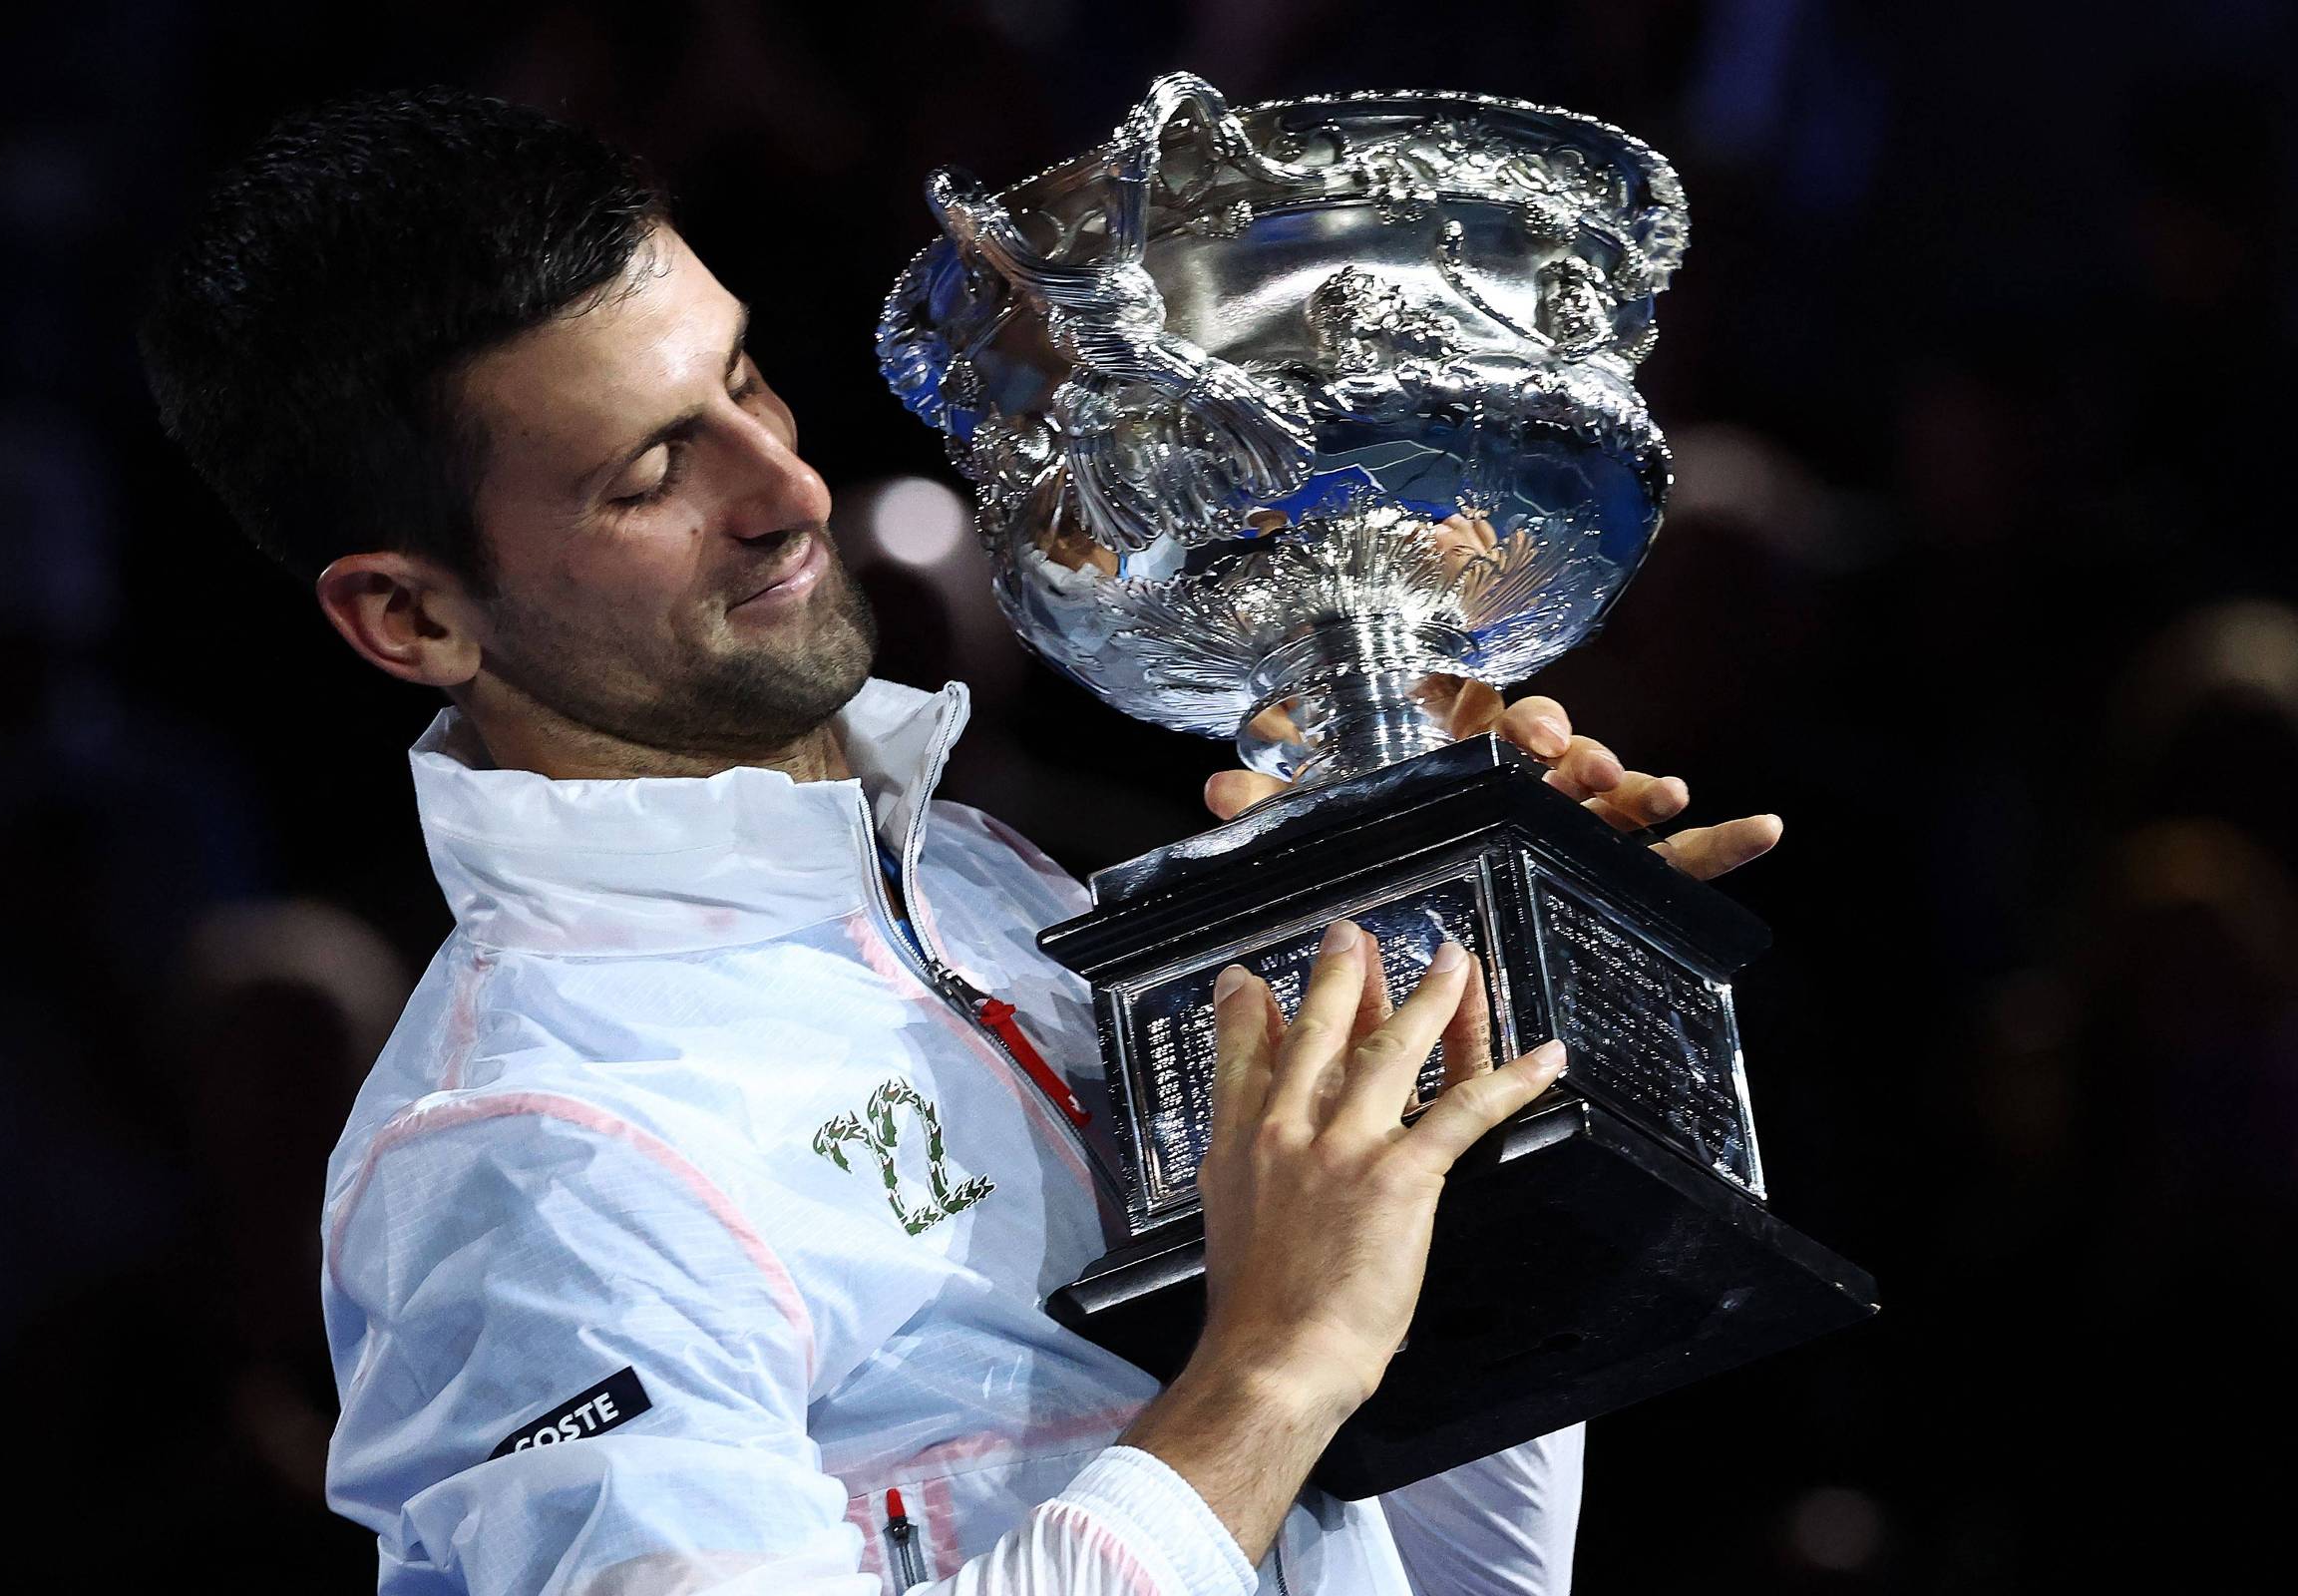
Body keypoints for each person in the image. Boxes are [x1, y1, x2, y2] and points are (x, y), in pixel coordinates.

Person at [141, 89, 1782, 1596]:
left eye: (744, 379)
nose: (784, 486)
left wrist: (1462, 997)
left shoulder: (991, 895)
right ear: (409, 615)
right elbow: (1279, 1397)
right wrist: (1266, 1369)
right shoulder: (533, 1161)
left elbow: (1419, 1552)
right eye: (655, 471)